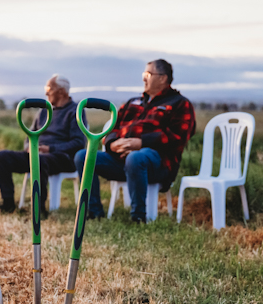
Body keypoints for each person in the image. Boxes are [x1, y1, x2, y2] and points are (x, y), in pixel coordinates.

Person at [74, 59, 196, 223]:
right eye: (143, 74)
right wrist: (112, 144)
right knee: (84, 156)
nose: (144, 78)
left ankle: (138, 216)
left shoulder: (180, 104)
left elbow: (177, 137)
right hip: (120, 160)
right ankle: (94, 212)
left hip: (157, 163)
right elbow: (112, 129)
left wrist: (141, 143)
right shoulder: (133, 102)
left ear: (163, 78)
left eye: (148, 74)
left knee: (136, 157)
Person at [0, 74, 87, 214]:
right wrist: (29, 147)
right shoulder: (44, 110)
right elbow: (30, 133)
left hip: (62, 158)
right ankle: (8, 204)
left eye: (49, 88)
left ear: (62, 91)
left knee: (40, 160)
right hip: (36, 154)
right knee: (2, 157)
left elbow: (78, 142)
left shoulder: (75, 112)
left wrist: (50, 149)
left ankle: (38, 209)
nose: (46, 92)